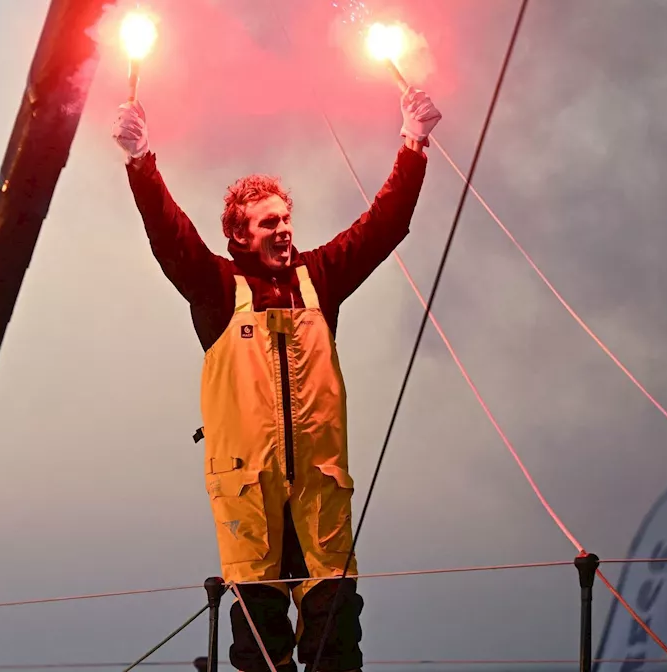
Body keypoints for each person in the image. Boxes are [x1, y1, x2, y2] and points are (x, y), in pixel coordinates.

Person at [112, 88, 441, 672]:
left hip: (319, 490)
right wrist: (142, 163)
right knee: (259, 655)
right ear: (239, 235)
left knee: (337, 645)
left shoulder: (321, 278)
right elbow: (169, 235)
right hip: (250, 499)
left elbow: (384, 224)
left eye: (287, 218)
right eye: (270, 222)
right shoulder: (215, 289)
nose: (284, 229)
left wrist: (413, 145)